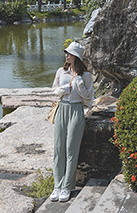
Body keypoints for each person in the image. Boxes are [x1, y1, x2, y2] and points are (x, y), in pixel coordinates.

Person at [50, 41, 94, 203]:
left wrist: (78, 82)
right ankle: (57, 185)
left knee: (71, 149)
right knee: (58, 148)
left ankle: (67, 186)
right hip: (62, 109)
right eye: (66, 53)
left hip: (76, 110)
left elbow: (89, 98)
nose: (66, 55)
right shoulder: (61, 72)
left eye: (69, 53)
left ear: (76, 56)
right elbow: (54, 90)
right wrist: (63, 89)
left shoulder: (86, 76)